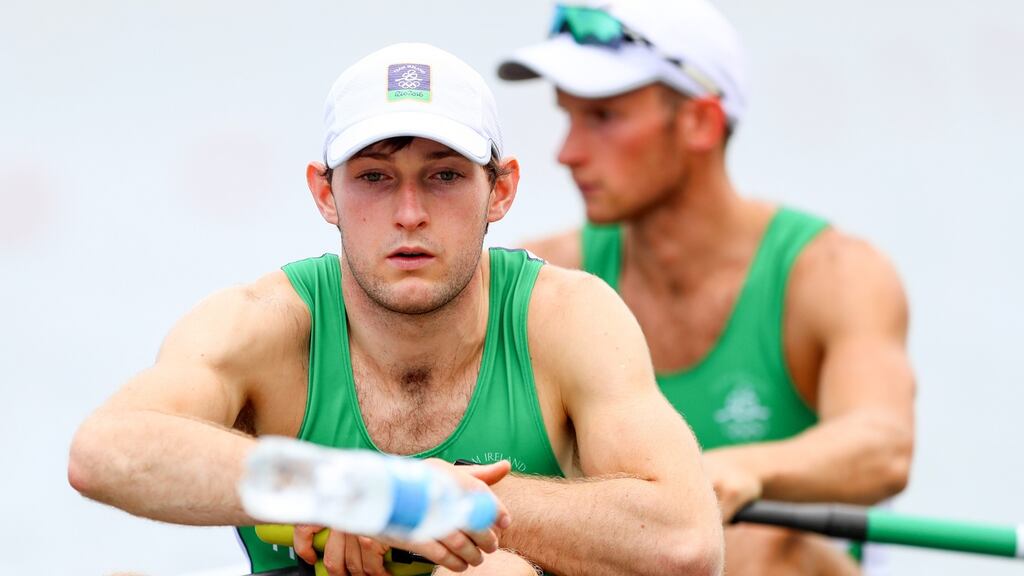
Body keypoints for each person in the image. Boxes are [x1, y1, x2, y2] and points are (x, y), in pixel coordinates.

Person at [68, 42, 723, 576]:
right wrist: (358, 490)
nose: (409, 215)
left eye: (443, 175)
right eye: (375, 177)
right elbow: (104, 453)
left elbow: (687, 543)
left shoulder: (568, 319)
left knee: (495, 575)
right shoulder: (262, 322)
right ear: (325, 194)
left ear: (502, 190)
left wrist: (438, 502)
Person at [498, 1, 915, 574]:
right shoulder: (544, 276)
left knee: (755, 544)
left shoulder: (834, 273)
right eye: (567, 116)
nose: (566, 153)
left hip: (780, 558)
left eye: (603, 118)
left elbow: (883, 445)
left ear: (701, 123)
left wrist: (742, 471)